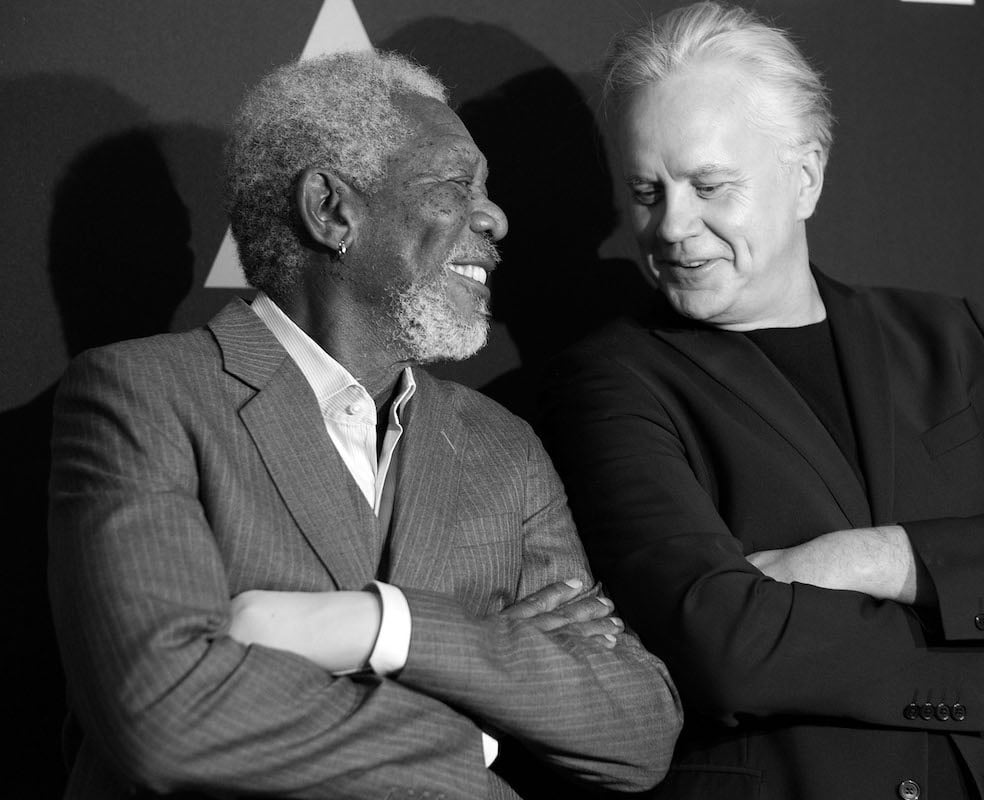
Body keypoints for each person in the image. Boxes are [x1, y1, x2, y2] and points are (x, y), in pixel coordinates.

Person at [536, 3, 984, 799]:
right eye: (645, 190)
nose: (671, 225)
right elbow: (726, 644)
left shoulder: (955, 339)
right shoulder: (609, 383)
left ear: (804, 176)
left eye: (708, 185)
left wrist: (860, 561)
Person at [47, 50, 681, 800]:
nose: (496, 217)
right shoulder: (145, 395)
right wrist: (474, 731)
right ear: (331, 210)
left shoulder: (502, 445)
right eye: (454, 185)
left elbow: (636, 727)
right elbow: (164, 710)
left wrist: (389, 627)